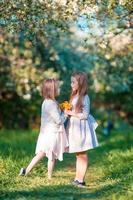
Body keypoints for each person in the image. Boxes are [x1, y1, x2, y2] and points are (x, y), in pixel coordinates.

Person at [19, 79, 68, 179]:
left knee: (41, 153)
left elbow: (53, 115)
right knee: (51, 155)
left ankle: (26, 171)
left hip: (46, 132)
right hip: (52, 133)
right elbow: (59, 120)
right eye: (57, 88)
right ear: (52, 90)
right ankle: (49, 177)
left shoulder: (48, 102)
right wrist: (66, 113)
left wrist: (61, 109)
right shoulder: (51, 104)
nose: (59, 89)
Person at [65, 72, 98, 187]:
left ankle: (81, 180)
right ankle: (77, 178)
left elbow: (84, 115)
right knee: (78, 154)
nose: (71, 84)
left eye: (73, 82)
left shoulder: (85, 97)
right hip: (75, 128)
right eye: (71, 82)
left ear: (81, 83)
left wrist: (71, 113)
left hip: (81, 129)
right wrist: (67, 111)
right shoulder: (74, 96)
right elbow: (74, 111)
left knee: (82, 153)